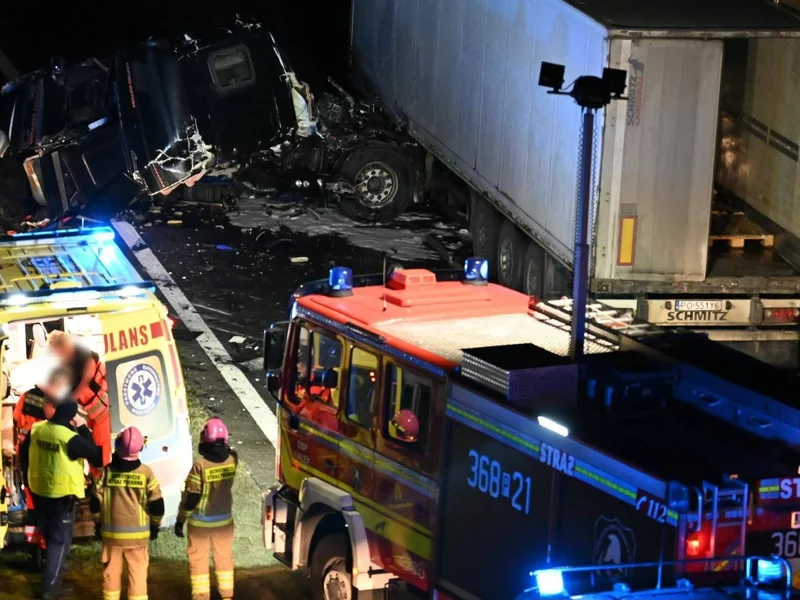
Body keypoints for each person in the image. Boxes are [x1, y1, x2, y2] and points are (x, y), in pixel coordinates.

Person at [21, 369, 102, 600]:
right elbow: (96, 456)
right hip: (61, 498)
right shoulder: (69, 438)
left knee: (50, 536)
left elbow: (25, 455)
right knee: (60, 541)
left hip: (39, 492)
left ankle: (54, 571)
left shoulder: (37, 429)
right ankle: (51, 587)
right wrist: (82, 426)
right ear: (71, 415)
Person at [91, 426, 163, 600]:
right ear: (140, 448)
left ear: (117, 446)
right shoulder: (146, 473)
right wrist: (155, 526)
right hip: (138, 537)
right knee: (138, 575)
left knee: (111, 574)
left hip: (112, 535)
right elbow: (157, 505)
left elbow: (95, 502)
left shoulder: (107, 472)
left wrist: (98, 522)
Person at [175, 418, 237, 600]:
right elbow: (229, 451)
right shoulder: (232, 460)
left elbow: (191, 497)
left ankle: (201, 597)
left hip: (200, 525)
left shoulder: (199, 465)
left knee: (199, 563)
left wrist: (180, 520)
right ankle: (227, 596)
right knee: (224, 559)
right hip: (224, 523)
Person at [47, 330, 111, 469]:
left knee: (100, 459)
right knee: (96, 454)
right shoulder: (83, 356)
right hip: (98, 413)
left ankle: (100, 477)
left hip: (101, 415)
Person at [13, 384, 52, 567]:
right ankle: (45, 550)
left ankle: (31, 550)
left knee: (32, 506)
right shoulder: (52, 401)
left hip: (26, 458)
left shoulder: (25, 397)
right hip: (44, 459)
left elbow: (16, 418)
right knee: (45, 507)